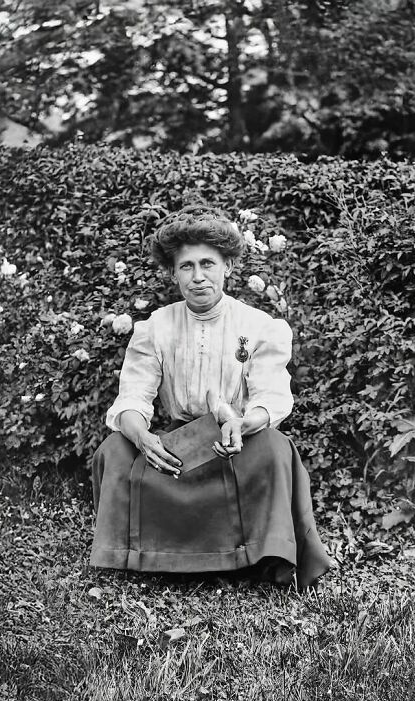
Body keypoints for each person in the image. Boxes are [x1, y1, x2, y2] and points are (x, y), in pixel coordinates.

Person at [90, 206, 331, 587]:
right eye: (186, 266)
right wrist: (143, 437)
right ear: (173, 273)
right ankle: (138, 555)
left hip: (235, 441)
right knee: (114, 449)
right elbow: (133, 399)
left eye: (208, 264)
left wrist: (243, 423)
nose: (198, 276)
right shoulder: (155, 328)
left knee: (276, 448)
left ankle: (258, 556)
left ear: (228, 266)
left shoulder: (259, 326)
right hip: (179, 444)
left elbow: (270, 396)